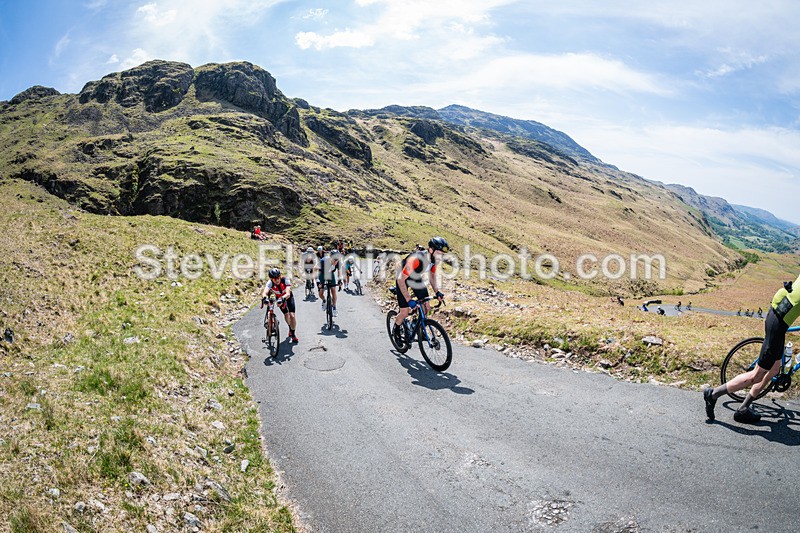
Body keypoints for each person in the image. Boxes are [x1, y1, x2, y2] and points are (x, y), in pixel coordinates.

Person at [704, 276, 800, 423]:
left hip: (777, 321)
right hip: (777, 325)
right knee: (756, 376)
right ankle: (713, 394)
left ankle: (743, 409)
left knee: (774, 370)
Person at [392, 237, 448, 343]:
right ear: (431, 250)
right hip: (402, 278)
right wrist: (409, 300)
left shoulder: (434, 260)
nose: (441, 257)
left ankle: (417, 326)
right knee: (404, 312)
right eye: (439, 253)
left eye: (442, 254)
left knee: (426, 307)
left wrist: (437, 291)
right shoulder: (417, 259)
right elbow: (401, 279)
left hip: (415, 277)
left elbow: (432, 275)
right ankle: (396, 330)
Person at [262, 268, 298, 343]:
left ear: (280, 276)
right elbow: (265, 292)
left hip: (287, 297)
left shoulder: (285, 280)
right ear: (271, 279)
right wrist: (264, 298)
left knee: (292, 316)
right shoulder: (270, 283)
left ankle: (293, 333)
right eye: (275, 279)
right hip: (279, 298)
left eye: (278, 278)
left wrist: (282, 298)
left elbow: (288, 293)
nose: (277, 280)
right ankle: (289, 327)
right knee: (286, 315)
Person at [317, 249, 339, 317]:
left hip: (330, 275)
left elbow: (340, 271)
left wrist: (340, 280)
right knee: (321, 293)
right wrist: (318, 281)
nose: (336, 261)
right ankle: (324, 301)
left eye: (337, 259)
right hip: (322, 274)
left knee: (333, 291)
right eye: (334, 259)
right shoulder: (323, 261)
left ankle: (334, 307)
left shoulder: (338, 262)